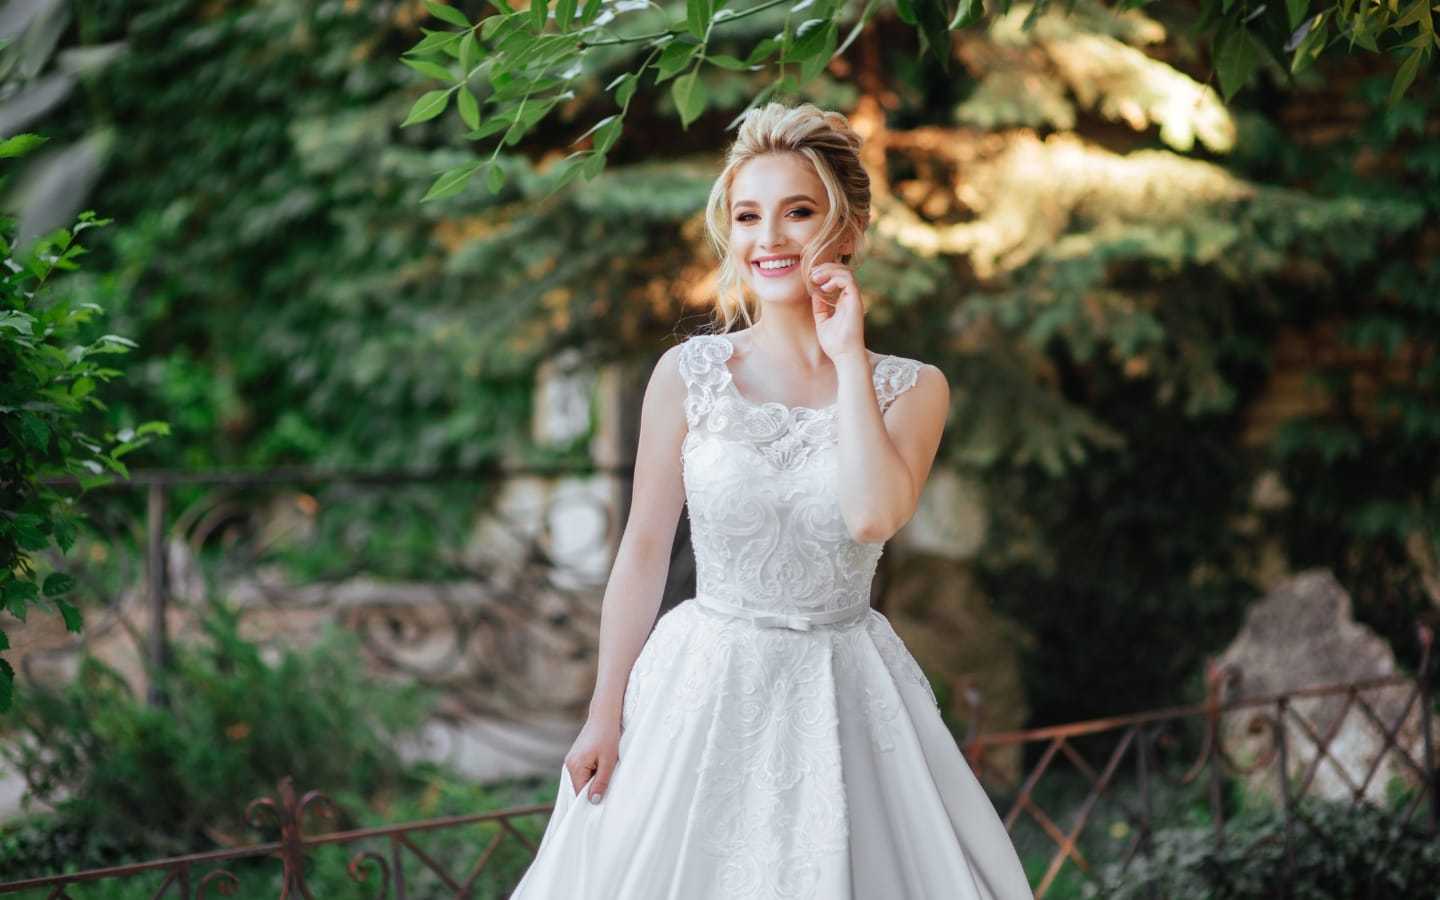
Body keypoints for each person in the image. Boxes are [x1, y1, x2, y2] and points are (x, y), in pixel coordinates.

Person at [507, 101, 1032, 899]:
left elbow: (872, 515)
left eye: (798, 212)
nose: (769, 237)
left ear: (847, 230)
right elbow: (644, 549)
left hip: (842, 693)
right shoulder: (687, 377)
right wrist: (604, 712)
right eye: (748, 215)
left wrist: (847, 357)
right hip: (702, 687)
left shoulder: (913, 389)